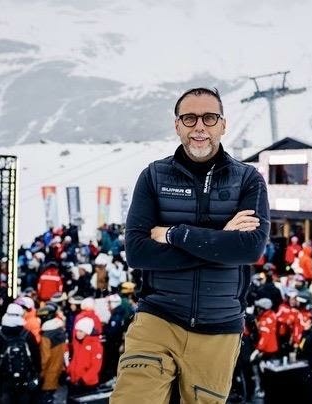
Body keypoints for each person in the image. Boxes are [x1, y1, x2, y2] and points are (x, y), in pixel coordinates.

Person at [110, 87, 270, 403]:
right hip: (157, 318)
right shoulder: (154, 176)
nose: (199, 126)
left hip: (219, 329)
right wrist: (221, 242)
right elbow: (139, 253)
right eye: (190, 118)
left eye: (209, 118)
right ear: (177, 125)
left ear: (223, 125)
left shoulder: (249, 179)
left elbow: (249, 249)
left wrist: (175, 234)